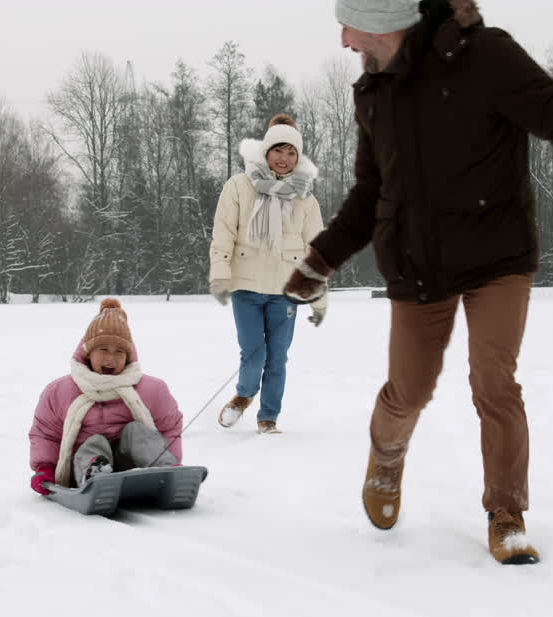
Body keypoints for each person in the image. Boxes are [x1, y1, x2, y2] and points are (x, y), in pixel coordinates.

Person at [283, 0, 553, 564]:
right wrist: (321, 259)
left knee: (495, 383)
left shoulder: (485, 57)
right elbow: (371, 195)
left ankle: (506, 511)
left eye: (349, 24)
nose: (345, 40)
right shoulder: (373, 93)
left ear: (384, 19)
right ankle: (388, 456)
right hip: (418, 263)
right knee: (410, 389)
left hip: (498, 253)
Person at [209, 113, 328, 435]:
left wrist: (319, 300)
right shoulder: (239, 186)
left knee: (277, 359)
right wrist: (220, 275)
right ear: (265, 152)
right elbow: (223, 233)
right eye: (278, 150)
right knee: (254, 354)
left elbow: (317, 253)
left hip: (285, 292)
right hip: (246, 289)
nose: (284, 159)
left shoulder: (306, 198)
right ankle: (244, 395)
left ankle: (268, 418)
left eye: (292, 153)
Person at [28, 299, 184, 495]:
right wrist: (45, 468)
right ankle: (95, 475)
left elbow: (169, 429)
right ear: (88, 353)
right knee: (95, 442)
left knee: (136, 431)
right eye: (103, 350)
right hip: (83, 467)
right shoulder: (60, 391)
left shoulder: (151, 390)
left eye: (119, 352)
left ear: (128, 357)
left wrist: (175, 460)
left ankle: (166, 471)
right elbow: (46, 433)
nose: (110, 359)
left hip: (135, 467)